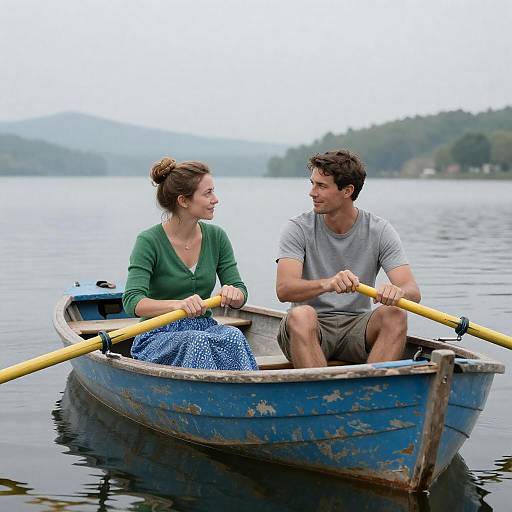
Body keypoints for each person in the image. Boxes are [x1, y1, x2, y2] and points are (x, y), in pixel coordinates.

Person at [275, 149, 421, 368]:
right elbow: (284, 290)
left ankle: (372, 394)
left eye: (321, 186)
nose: (312, 193)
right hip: (311, 328)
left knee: (395, 313)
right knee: (301, 314)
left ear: (347, 191)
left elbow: (413, 292)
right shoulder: (297, 228)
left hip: (358, 328)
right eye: (312, 183)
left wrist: (398, 292)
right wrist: (328, 283)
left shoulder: (380, 230)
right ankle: (321, 397)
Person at [122, 156, 258, 371]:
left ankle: (246, 397)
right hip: (157, 333)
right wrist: (176, 305)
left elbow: (240, 292)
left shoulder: (217, 236)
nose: (216, 199)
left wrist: (234, 294)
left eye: (213, 191)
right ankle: (206, 400)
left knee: (232, 335)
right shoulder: (148, 241)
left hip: (204, 327)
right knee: (196, 341)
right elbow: (132, 302)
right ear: (184, 201)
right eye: (208, 193)